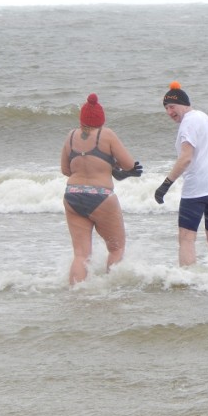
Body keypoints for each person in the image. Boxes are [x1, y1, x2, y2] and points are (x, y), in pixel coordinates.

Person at [60, 93, 143, 285]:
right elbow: (129, 164)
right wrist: (113, 167)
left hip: (73, 195)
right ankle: (112, 291)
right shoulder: (107, 134)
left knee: (81, 254)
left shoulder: (70, 136)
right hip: (101, 196)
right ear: (101, 119)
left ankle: (77, 294)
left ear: (82, 118)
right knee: (116, 248)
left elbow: (65, 169)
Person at [154, 81, 208, 266]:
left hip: (197, 188)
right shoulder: (203, 117)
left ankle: (187, 281)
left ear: (184, 103)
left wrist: (165, 185)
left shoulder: (188, 123)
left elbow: (186, 157)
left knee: (186, 237)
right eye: (166, 108)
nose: (169, 112)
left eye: (172, 106)